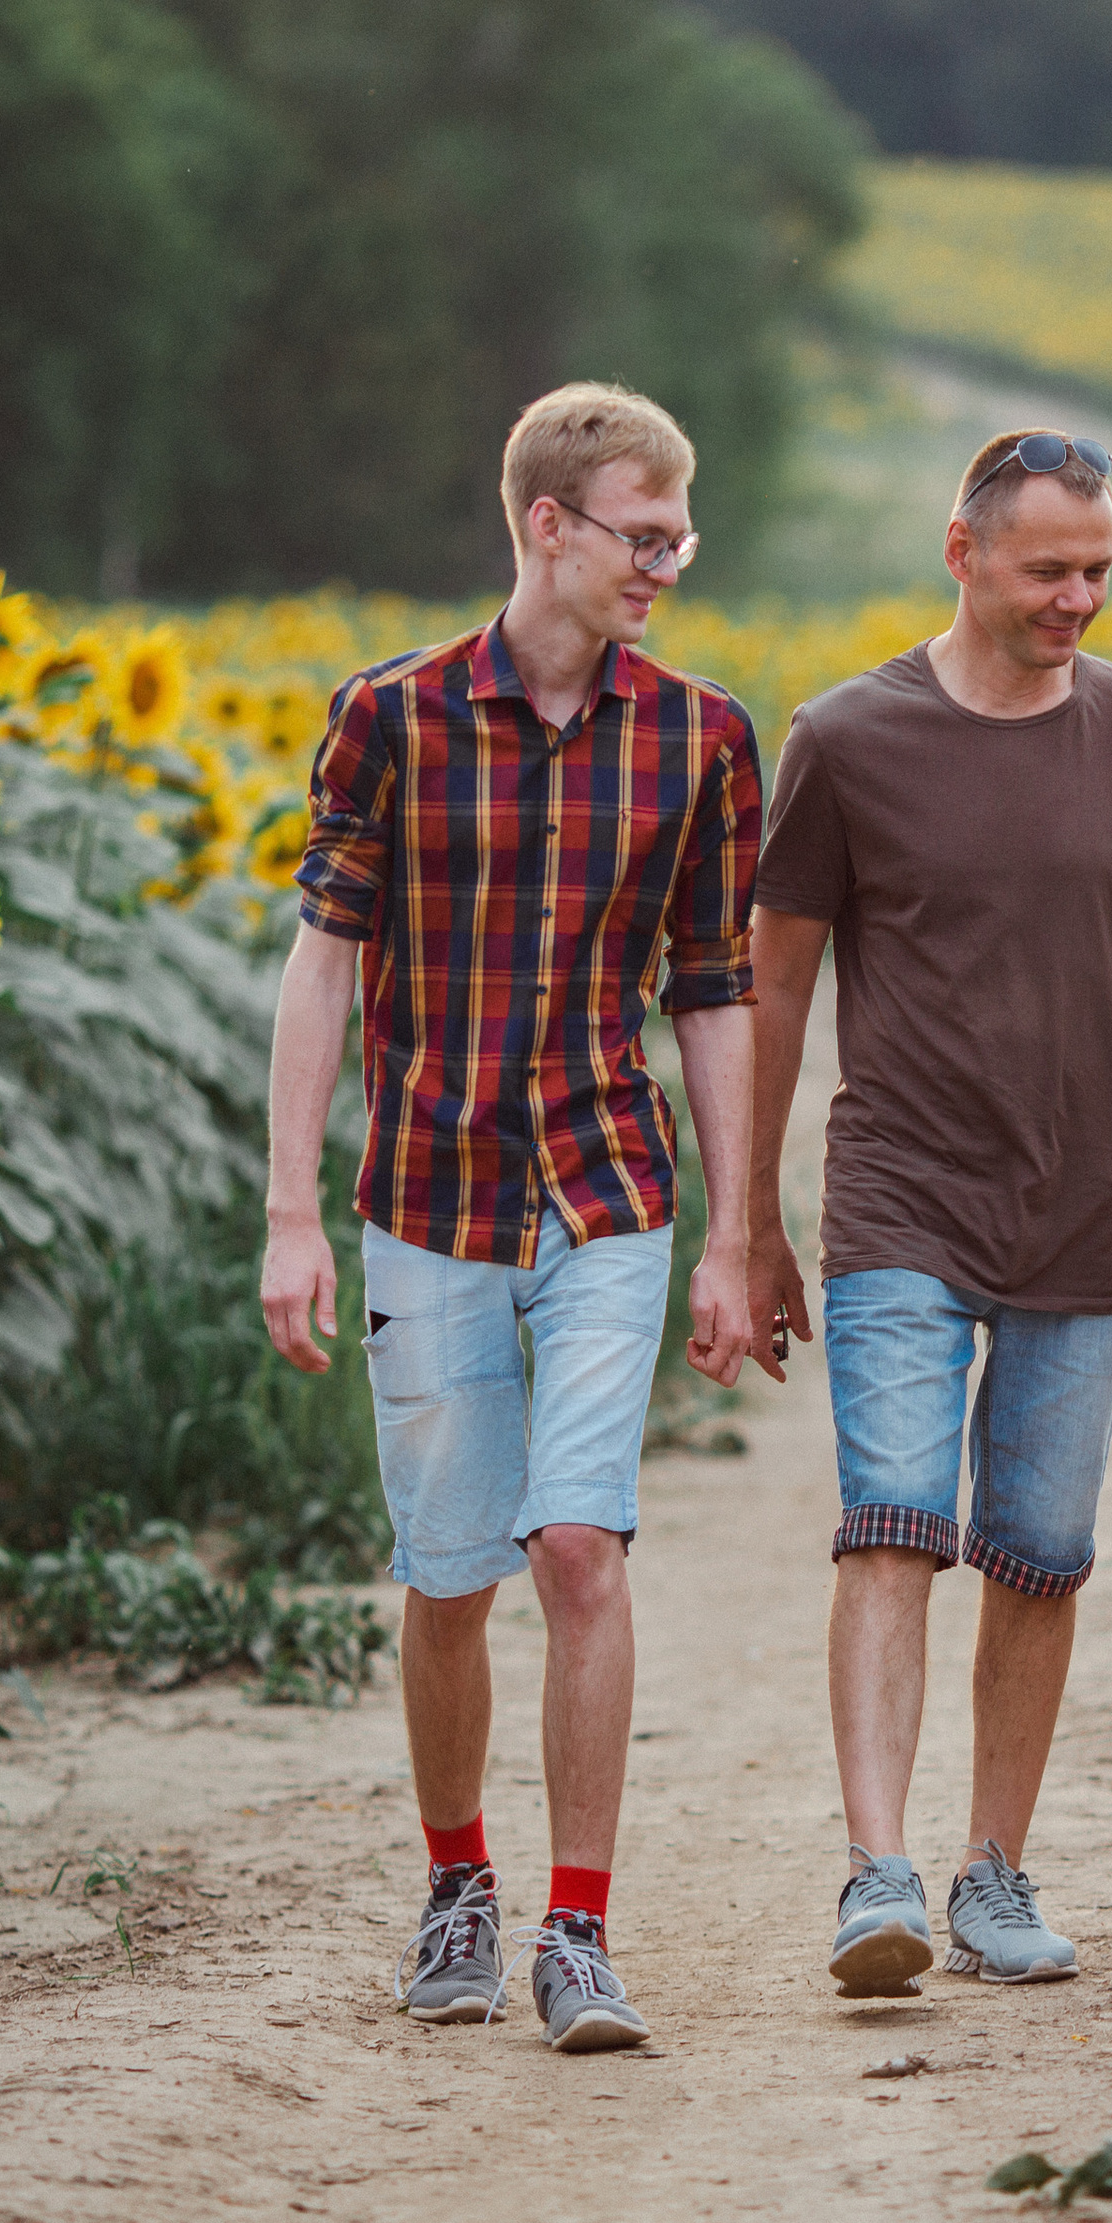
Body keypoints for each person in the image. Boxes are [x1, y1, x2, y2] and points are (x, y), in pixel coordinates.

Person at [745, 429, 1112, 1997]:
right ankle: (878, 1875)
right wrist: (752, 1220)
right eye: (1051, 569)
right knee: (893, 1529)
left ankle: (993, 1872)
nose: (1080, 599)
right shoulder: (844, 738)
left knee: (1042, 1555)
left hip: (1088, 1198)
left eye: (1101, 570)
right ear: (963, 552)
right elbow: (774, 989)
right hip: (901, 1192)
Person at [259, 381, 759, 2048]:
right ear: (547, 524)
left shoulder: (702, 738)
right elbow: (324, 962)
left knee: (580, 1550)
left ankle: (580, 1927)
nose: (666, 563)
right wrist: (291, 1212)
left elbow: (714, 991)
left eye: (681, 535)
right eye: (642, 533)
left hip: (607, 1186)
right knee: (453, 1569)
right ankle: (459, 1883)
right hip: (426, 1196)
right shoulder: (387, 718)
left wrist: (741, 1229)